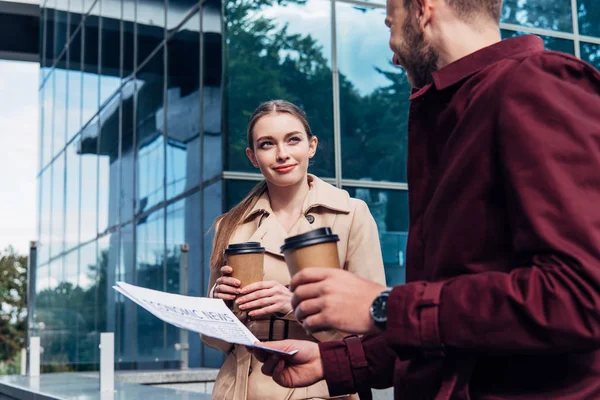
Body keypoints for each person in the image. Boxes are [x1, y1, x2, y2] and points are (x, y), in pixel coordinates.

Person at [253, 0, 600, 399]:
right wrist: (332, 362)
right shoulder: (456, 113)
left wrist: (383, 306)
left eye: (391, 24)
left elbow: (582, 294)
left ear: (423, 8)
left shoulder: (537, 85)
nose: (393, 52)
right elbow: (456, 330)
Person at [202, 99, 386, 400]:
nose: (282, 154)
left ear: (312, 146)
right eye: (266, 144)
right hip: (240, 389)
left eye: (293, 140)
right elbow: (215, 340)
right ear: (252, 156)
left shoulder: (352, 215)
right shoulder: (230, 225)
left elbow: (373, 327)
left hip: (320, 387)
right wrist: (219, 308)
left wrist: (296, 305)